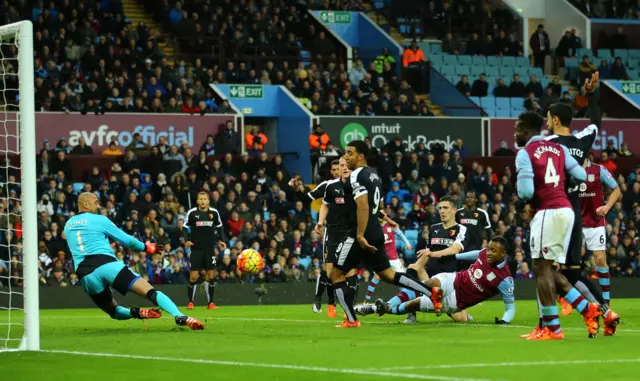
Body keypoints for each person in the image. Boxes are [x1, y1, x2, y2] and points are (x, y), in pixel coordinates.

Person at [331, 140, 438, 328]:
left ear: (360, 156)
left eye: (350, 153)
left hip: (359, 232)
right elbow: (375, 205)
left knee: (335, 274)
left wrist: (360, 235)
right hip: (376, 230)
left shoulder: (356, 175)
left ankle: (351, 320)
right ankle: (431, 292)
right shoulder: (373, 174)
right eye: (345, 153)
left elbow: (363, 205)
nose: (346, 157)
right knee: (388, 274)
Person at [544, 72, 620, 335]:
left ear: (554, 120)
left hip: (555, 214)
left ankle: (548, 326)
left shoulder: (546, 145)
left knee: (545, 270)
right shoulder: (581, 141)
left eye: (548, 118)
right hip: (575, 215)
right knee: (569, 274)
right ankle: (604, 311)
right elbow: (596, 120)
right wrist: (592, 94)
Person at [515, 111, 601, 340]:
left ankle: (552, 329)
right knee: (548, 270)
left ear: (525, 130)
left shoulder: (525, 153)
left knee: (541, 270)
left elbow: (526, 191)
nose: (515, 134)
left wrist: (525, 200)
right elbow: (582, 175)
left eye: (517, 129)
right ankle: (587, 309)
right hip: (567, 211)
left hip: (548, 212)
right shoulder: (559, 149)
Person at [64, 193, 204, 330]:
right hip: (107, 265)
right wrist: (147, 247)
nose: (98, 205)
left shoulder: (68, 225)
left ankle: (134, 312)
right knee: (150, 292)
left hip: (86, 275)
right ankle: (179, 316)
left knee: (113, 311)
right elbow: (127, 240)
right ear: (85, 204)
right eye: (95, 202)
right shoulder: (99, 219)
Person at [373, 237, 515, 325]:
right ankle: (388, 303)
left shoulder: (504, 279)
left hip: (457, 301)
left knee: (414, 304)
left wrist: (504, 320)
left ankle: (387, 309)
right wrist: (455, 257)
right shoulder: (485, 253)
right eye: (488, 249)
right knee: (429, 283)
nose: (488, 252)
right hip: (455, 279)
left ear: (503, 254)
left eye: (493, 251)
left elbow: (510, 307)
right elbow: (476, 253)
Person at [578, 159, 622, 333]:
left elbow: (616, 190)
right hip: (575, 222)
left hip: (595, 222)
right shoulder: (569, 169)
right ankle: (566, 300)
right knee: (568, 263)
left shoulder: (598, 170)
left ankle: (606, 303)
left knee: (600, 259)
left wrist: (607, 206)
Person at [184, 191, 228, 310]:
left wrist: (222, 240)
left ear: (208, 201)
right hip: (196, 249)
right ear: (197, 201)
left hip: (209, 249)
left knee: (211, 275)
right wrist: (186, 240)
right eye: (201, 199)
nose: (203, 201)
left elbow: (219, 227)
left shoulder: (214, 213)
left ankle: (210, 303)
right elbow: (185, 227)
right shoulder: (192, 213)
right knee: (193, 276)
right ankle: (190, 302)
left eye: (205, 199)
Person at [362, 218, 411, 304]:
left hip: (394, 259)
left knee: (402, 280)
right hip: (383, 258)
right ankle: (366, 300)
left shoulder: (390, 226)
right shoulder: (374, 228)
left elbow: (400, 234)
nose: (379, 218)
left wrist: (407, 243)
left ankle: (409, 299)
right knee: (376, 277)